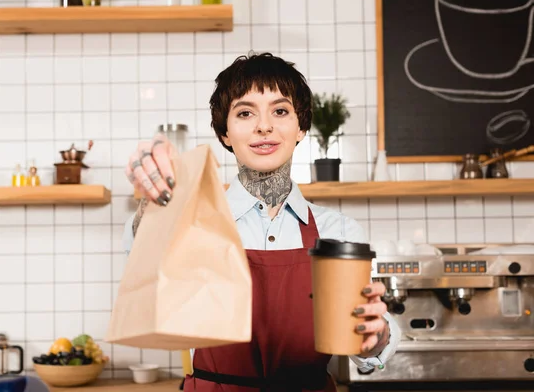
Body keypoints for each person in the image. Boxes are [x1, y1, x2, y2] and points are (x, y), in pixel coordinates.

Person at [123, 52, 400, 391]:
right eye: (244, 113)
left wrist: (376, 336)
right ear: (225, 133)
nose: (264, 126)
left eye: (280, 111)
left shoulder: (337, 231)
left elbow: (366, 336)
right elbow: (141, 254)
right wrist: (153, 199)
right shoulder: (192, 222)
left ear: (301, 128)